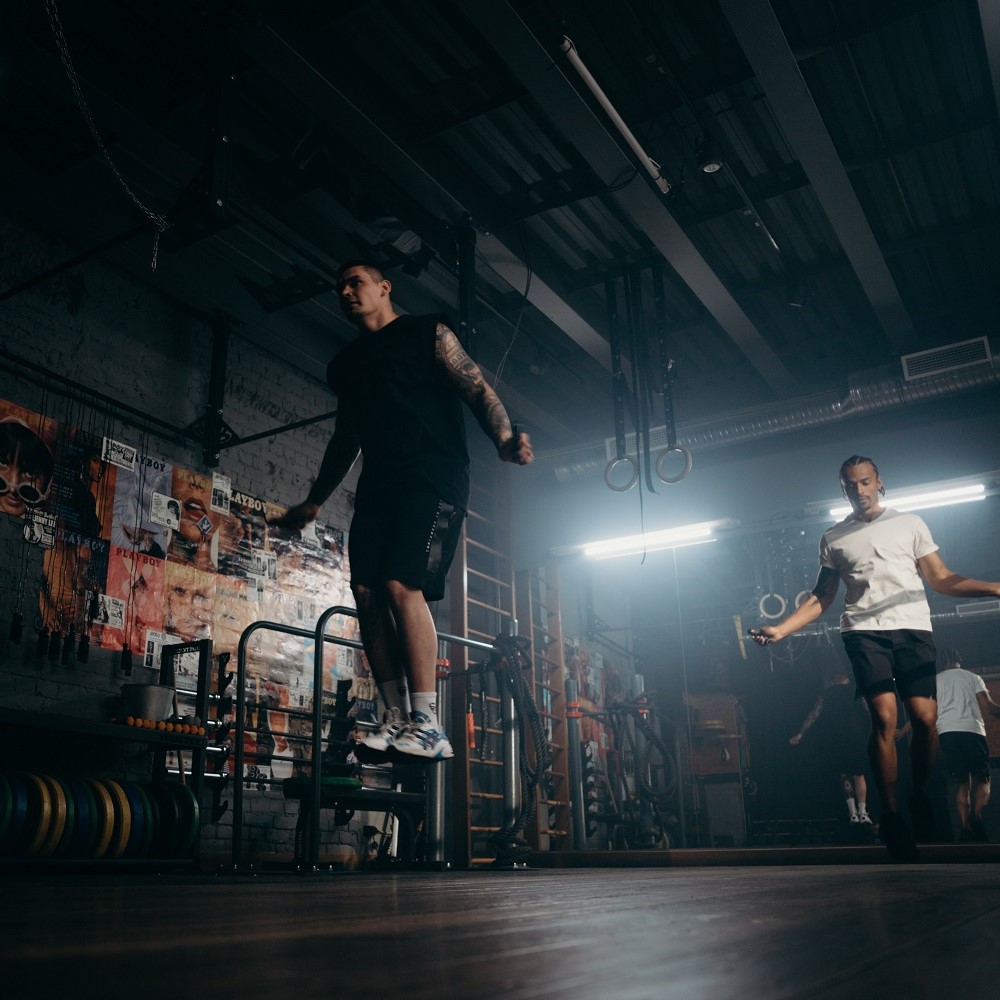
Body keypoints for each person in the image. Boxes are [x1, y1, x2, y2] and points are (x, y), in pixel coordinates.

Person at [270, 260, 533, 761]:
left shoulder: (426, 333)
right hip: (379, 486)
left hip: (433, 478)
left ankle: (427, 722)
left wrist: (502, 437)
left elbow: (476, 387)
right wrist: (315, 500)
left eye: (356, 282)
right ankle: (393, 716)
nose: (346, 291)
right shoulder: (345, 365)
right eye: (339, 286)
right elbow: (345, 438)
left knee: (398, 584)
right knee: (367, 593)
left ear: (384, 287)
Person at [750, 455, 1000, 861]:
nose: (860, 491)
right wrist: (781, 629)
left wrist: (992, 587)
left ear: (879, 482)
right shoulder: (834, 538)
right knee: (884, 716)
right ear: (843, 489)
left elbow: (940, 577)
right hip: (864, 632)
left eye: (866, 482)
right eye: (851, 485)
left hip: (913, 629)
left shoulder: (910, 524)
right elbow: (822, 597)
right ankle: (893, 815)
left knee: (923, 719)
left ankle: (918, 794)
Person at [789, 671, 873, 827]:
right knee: (859, 775)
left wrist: (800, 734)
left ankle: (853, 813)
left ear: (833, 681)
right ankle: (863, 812)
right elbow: (869, 711)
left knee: (844, 775)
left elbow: (813, 714)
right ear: (846, 679)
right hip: (856, 737)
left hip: (837, 738)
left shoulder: (826, 694)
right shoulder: (856, 690)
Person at [935, 648, 1000, 842]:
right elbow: (988, 707)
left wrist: (903, 731)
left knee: (961, 782)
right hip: (971, 731)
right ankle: (976, 817)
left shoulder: (935, 681)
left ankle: (964, 829)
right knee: (983, 779)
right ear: (958, 658)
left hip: (946, 733)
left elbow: (927, 711)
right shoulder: (972, 677)